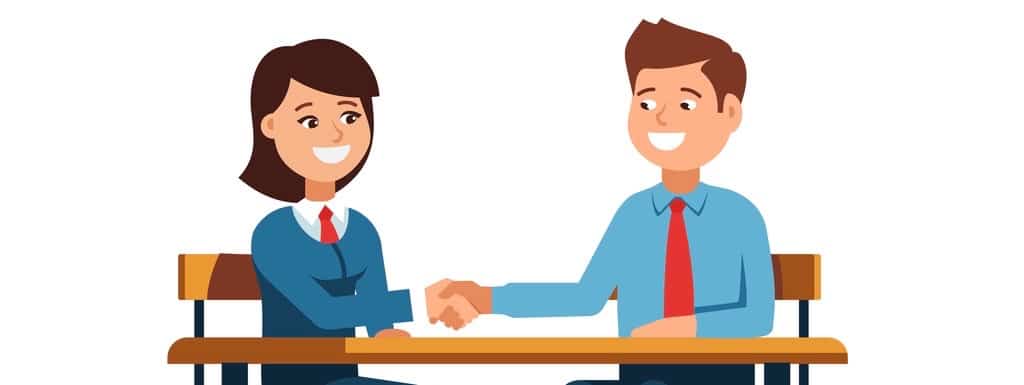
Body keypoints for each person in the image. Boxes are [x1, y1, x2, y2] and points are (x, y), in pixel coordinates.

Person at [430, 19, 774, 385]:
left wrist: (682, 328)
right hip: (643, 374)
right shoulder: (635, 215)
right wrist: (483, 298)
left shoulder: (741, 216)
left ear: (730, 113)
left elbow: (758, 316)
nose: (662, 116)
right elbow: (585, 297)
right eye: (647, 101)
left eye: (686, 103)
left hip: (720, 376)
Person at [241, 39, 414, 385]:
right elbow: (324, 313)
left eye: (350, 116)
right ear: (271, 125)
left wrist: (384, 335)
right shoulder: (273, 234)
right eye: (309, 121)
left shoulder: (362, 231)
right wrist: (421, 302)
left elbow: (377, 312)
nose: (336, 133)